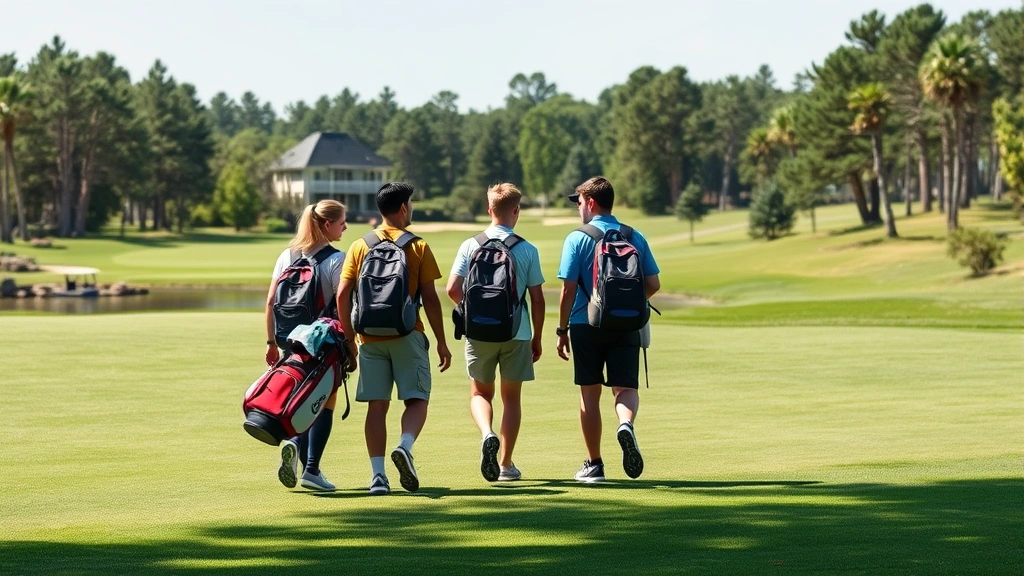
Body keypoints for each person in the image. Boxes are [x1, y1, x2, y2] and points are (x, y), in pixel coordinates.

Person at [336, 182, 452, 495]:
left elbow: (343, 293)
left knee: (377, 406)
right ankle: (405, 445)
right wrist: (441, 342)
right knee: (417, 399)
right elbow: (430, 298)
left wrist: (350, 337)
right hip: (407, 333)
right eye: (410, 204)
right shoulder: (417, 246)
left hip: (369, 338)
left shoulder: (360, 246)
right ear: (402, 208)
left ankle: (377, 477)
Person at [555, 177, 661, 483]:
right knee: (625, 388)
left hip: (585, 323)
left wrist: (561, 331)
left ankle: (594, 465)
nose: (577, 208)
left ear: (590, 202)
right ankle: (625, 423)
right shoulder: (633, 235)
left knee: (589, 395)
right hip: (628, 323)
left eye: (578, 202)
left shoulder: (577, 238)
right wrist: (628, 304)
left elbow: (567, 289)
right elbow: (653, 283)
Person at [446, 183, 545, 482]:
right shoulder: (527, 249)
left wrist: (471, 310)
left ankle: (487, 432)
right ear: (516, 211)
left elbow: (452, 289)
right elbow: (537, 300)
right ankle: (506, 465)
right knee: (511, 398)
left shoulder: (470, 245)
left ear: (489, 210)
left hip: (479, 332)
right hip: (517, 332)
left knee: (480, 392)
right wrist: (537, 337)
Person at [265, 199, 349, 492]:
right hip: (322, 341)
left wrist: (271, 342)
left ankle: (293, 445)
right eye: (341, 223)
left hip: (289, 340)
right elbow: (343, 303)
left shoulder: (286, 255)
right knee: (323, 401)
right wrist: (349, 341)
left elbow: (271, 301)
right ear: (327, 225)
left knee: (298, 398)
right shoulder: (337, 259)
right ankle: (310, 468)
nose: (345, 227)